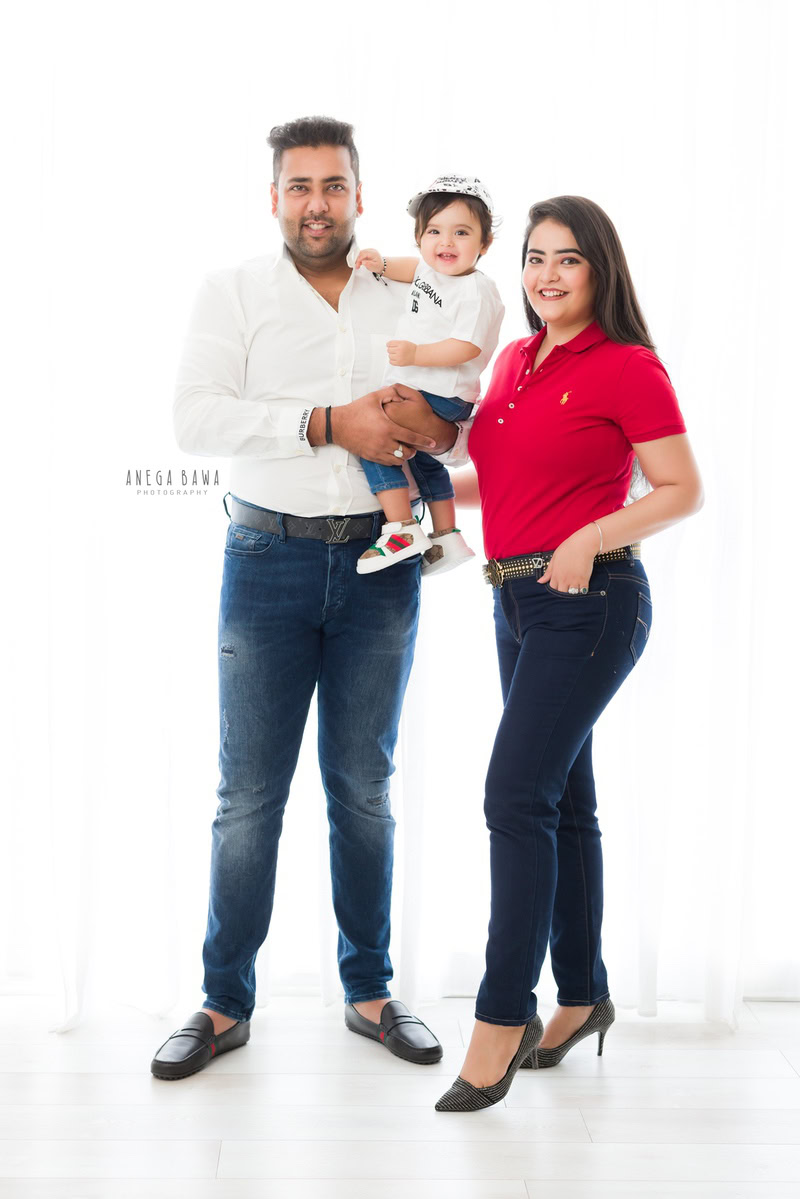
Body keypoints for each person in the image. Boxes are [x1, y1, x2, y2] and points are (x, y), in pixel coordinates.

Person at [150, 115, 457, 1081]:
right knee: (248, 794)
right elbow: (195, 418)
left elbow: (463, 387)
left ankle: (369, 991)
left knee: (363, 789)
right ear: (274, 197)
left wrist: (435, 431)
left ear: (361, 196)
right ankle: (222, 1001)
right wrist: (328, 422)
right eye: (299, 186)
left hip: (383, 562)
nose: (316, 203)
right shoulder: (232, 292)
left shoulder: (407, 294)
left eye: (333, 185)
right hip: (266, 559)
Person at [434, 195, 704, 1112]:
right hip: (513, 600)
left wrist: (594, 532)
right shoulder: (513, 359)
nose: (546, 276)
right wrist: (433, 480)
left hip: (591, 603)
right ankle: (582, 994)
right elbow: (498, 481)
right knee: (563, 802)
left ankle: (501, 1015)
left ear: (600, 270)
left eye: (568, 261)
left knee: (513, 796)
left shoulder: (628, 367)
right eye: (535, 259)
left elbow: (681, 488)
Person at [353, 176, 504, 576]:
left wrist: (418, 353)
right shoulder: (430, 271)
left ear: (484, 244)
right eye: (434, 232)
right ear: (419, 238)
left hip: (445, 391)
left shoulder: (475, 289)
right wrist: (382, 263)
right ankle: (446, 534)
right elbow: (412, 269)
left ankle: (401, 527)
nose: (446, 242)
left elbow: (467, 346)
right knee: (422, 458)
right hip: (429, 387)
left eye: (461, 233)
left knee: (372, 431)